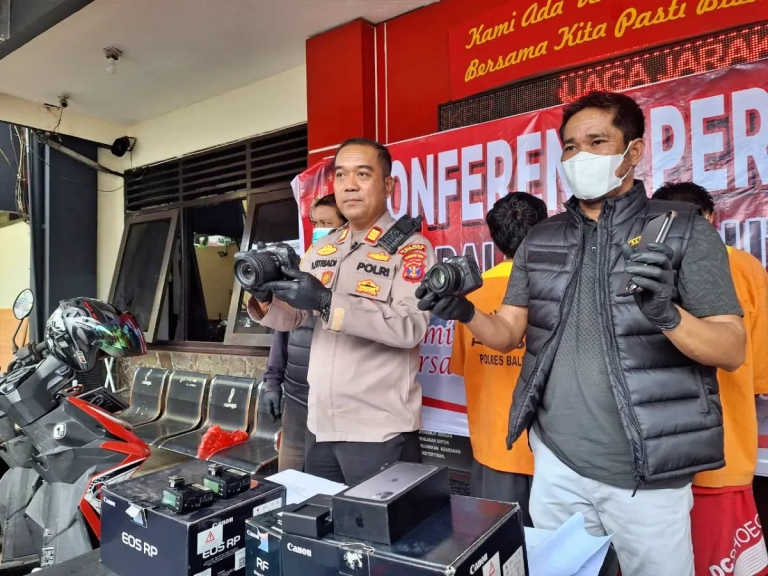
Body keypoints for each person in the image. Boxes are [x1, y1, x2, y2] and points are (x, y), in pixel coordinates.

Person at [417, 91, 746, 576]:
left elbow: (731, 347)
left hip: (648, 475)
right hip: (557, 465)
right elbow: (509, 332)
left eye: (596, 142)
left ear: (633, 152)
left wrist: (669, 315)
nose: (579, 157)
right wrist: (464, 311)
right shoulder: (541, 237)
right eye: (570, 147)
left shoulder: (683, 232)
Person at [247, 137, 436, 485]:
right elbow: (293, 318)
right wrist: (264, 297)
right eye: (341, 175)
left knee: (377, 537)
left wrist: (326, 301)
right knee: (326, 529)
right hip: (320, 426)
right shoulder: (322, 249)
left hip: (378, 431)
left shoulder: (412, 249)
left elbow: (411, 327)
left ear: (388, 185)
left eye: (363, 174)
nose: (349, 185)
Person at [653, 181, 768, 576]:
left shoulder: (643, 268)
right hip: (726, 447)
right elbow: (760, 371)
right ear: (710, 218)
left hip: (658, 458)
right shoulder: (747, 268)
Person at [449, 192, 547, 526]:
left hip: (494, 451)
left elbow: (462, 367)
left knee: (499, 555)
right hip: (554, 456)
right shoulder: (560, 286)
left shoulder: (470, 294)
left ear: (494, 238)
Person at [262, 194, 347, 472]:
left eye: (327, 223)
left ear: (346, 227)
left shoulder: (356, 277)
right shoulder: (302, 270)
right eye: (316, 224)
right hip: (296, 400)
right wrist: (272, 384)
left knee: (325, 487)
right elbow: (281, 333)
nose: (320, 230)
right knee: (291, 477)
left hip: (336, 403)